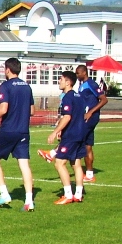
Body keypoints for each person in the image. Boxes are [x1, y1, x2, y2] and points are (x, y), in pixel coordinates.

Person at [0, 57, 35, 211]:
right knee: (24, 164)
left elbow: (3, 108)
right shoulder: (27, 87)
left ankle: (4, 193)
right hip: (23, 130)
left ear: (7, 69)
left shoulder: (5, 86)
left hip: (9, 130)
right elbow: (32, 111)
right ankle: (28, 201)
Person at [43, 71, 87, 204]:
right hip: (81, 133)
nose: (59, 81)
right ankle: (78, 194)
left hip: (71, 135)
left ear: (68, 82)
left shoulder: (68, 97)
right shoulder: (79, 96)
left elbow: (67, 116)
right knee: (76, 164)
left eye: (61, 79)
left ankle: (68, 194)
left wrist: (55, 131)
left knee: (59, 163)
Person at [75, 64, 107, 183]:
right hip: (86, 117)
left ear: (84, 73)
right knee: (87, 145)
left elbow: (104, 99)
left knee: (76, 137)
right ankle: (89, 174)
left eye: (78, 73)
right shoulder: (82, 85)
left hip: (91, 118)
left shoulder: (91, 84)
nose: (77, 75)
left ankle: (53, 153)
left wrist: (91, 112)